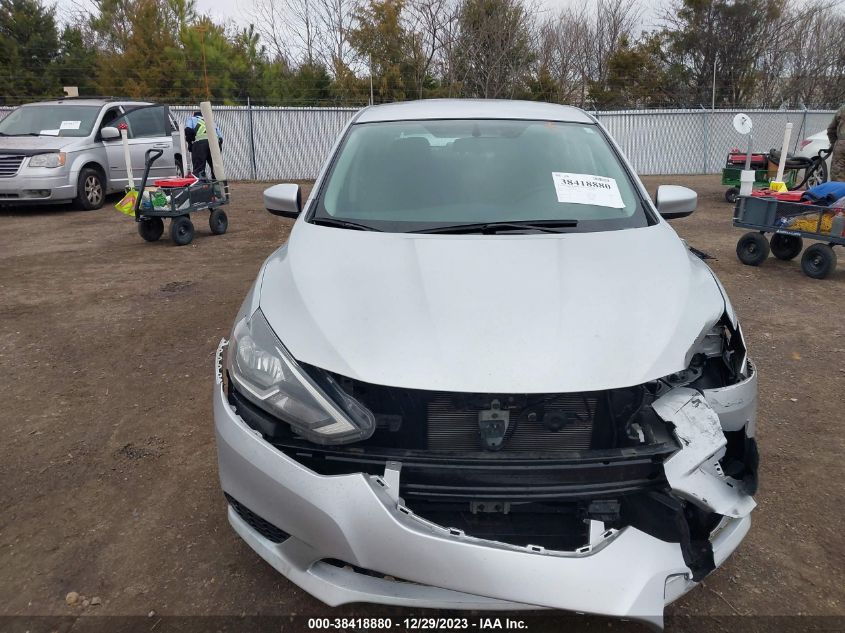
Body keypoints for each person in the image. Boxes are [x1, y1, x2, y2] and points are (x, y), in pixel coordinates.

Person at [184, 111, 223, 179]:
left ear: (194, 114)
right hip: (214, 144)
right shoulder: (210, 121)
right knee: (215, 167)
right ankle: (217, 184)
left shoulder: (192, 119)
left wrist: (190, 143)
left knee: (199, 167)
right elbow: (220, 137)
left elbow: (188, 130)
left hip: (200, 144)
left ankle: (201, 184)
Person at [826, 105, 845, 181]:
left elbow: (831, 130)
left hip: (841, 145)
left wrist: (834, 143)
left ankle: (838, 192)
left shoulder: (842, 109)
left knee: (837, 176)